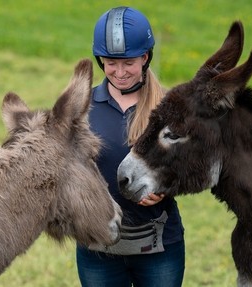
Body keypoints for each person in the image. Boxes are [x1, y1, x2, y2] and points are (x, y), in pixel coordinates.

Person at [75, 6, 185, 287]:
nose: (120, 72)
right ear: (100, 60)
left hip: (159, 248)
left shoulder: (167, 107)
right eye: (111, 62)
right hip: (98, 249)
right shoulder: (83, 107)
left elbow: (188, 165)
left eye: (129, 63)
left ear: (145, 57)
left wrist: (165, 187)